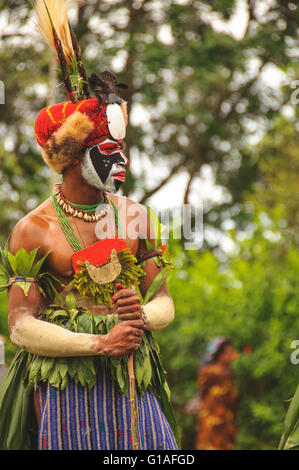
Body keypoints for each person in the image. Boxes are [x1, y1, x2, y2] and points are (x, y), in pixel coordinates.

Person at [0, 0, 179, 450]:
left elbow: (164, 301)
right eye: (110, 151)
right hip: (66, 384)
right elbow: (21, 326)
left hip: (131, 378)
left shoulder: (136, 216)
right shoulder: (33, 229)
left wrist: (141, 316)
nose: (124, 160)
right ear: (73, 158)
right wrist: (98, 343)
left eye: (123, 148)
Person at [195, 337, 239, 450]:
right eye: (228, 353)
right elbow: (202, 390)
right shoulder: (211, 371)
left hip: (226, 418)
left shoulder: (228, 372)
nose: (231, 356)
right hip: (211, 417)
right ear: (220, 354)